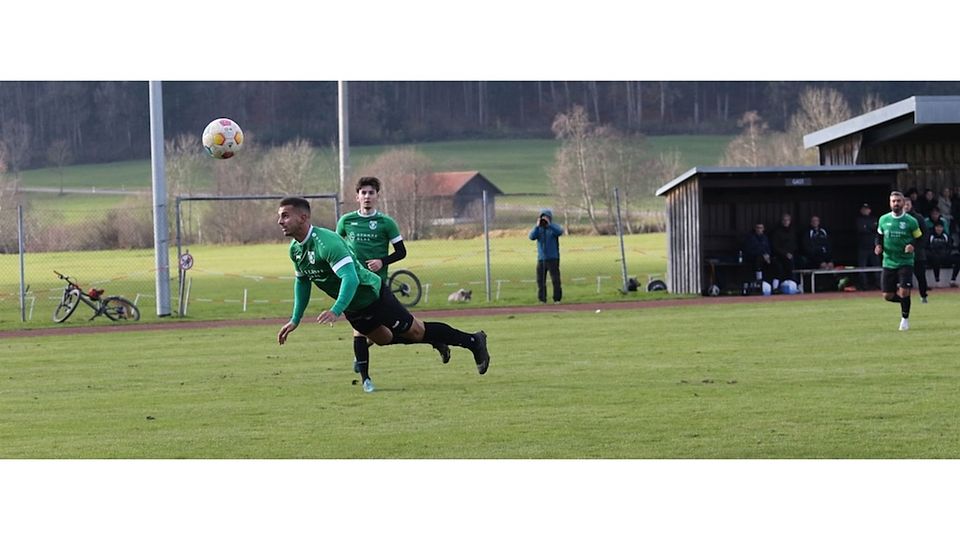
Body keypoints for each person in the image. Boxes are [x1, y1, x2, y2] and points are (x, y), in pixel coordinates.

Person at [277, 197, 490, 393]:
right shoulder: (295, 250)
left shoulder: (327, 242)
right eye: (280, 216)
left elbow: (350, 278)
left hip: (374, 296)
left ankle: (473, 341)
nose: (280, 221)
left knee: (416, 331)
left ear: (303, 217)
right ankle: (435, 339)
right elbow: (303, 282)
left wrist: (336, 310)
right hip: (354, 307)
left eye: (285, 215)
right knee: (383, 339)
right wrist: (295, 319)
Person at [336, 176, 451, 385]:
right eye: (363, 193)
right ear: (357, 196)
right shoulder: (346, 221)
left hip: (377, 287)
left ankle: (363, 367)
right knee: (366, 331)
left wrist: (382, 261)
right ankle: (365, 377)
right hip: (355, 285)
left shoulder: (386, 223)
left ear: (377, 196)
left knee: (397, 331)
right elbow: (337, 247)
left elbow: (401, 251)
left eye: (371, 193)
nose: (367, 196)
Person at [875, 191, 922, 331]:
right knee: (887, 296)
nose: (896, 203)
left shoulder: (911, 221)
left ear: (903, 203)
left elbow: (919, 238)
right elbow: (879, 235)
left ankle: (904, 319)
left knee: (904, 291)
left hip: (905, 261)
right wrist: (878, 246)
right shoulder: (883, 219)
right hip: (888, 261)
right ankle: (905, 302)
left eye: (898, 201)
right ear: (890, 203)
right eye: (893, 201)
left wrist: (912, 246)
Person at [529, 208, 563, 304]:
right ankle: (542, 299)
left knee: (555, 280)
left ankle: (557, 299)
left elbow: (560, 232)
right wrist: (537, 226)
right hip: (541, 259)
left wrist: (549, 225)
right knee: (540, 281)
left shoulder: (553, 228)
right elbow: (531, 237)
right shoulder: (538, 229)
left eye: (546, 217)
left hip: (553, 258)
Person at [903, 197, 931, 303]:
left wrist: (916, 247)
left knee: (920, 276)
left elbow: (924, 234)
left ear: (911, 205)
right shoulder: (897, 218)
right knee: (905, 277)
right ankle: (905, 297)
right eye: (904, 204)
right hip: (903, 254)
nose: (906, 206)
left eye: (908, 204)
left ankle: (923, 295)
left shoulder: (918, 218)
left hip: (918, 253)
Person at [926, 222, 960, 286]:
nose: (939, 229)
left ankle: (953, 280)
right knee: (935, 259)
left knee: (958, 259)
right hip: (934, 257)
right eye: (937, 227)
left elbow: (949, 247)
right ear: (935, 228)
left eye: (940, 227)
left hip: (945, 256)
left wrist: (946, 253)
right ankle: (937, 281)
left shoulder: (946, 236)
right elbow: (927, 247)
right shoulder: (930, 236)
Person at [855, 203, 880, 290]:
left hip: (873, 247)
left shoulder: (874, 219)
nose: (865, 210)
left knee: (876, 266)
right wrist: (870, 228)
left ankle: (878, 284)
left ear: (870, 210)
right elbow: (861, 229)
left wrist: (868, 228)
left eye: (867, 209)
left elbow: (876, 229)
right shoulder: (859, 220)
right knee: (862, 267)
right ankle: (864, 286)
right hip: (862, 247)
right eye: (864, 209)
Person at [742, 222, 775, 288]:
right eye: (758, 228)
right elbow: (749, 250)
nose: (759, 229)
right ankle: (759, 279)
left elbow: (768, 248)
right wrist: (763, 255)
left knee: (775, 262)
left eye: (761, 228)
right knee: (759, 259)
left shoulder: (765, 238)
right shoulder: (750, 238)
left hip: (765, 258)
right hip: (753, 258)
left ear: (763, 229)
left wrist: (767, 255)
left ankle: (775, 285)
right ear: (755, 229)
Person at [770, 213, 799, 287]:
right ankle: (775, 287)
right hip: (779, 256)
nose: (786, 222)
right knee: (780, 268)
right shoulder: (777, 232)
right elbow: (775, 247)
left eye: (787, 220)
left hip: (792, 255)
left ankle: (796, 285)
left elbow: (795, 244)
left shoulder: (793, 231)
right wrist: (785, 254)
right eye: (784, 220)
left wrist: (792, 253)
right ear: (782, 221)